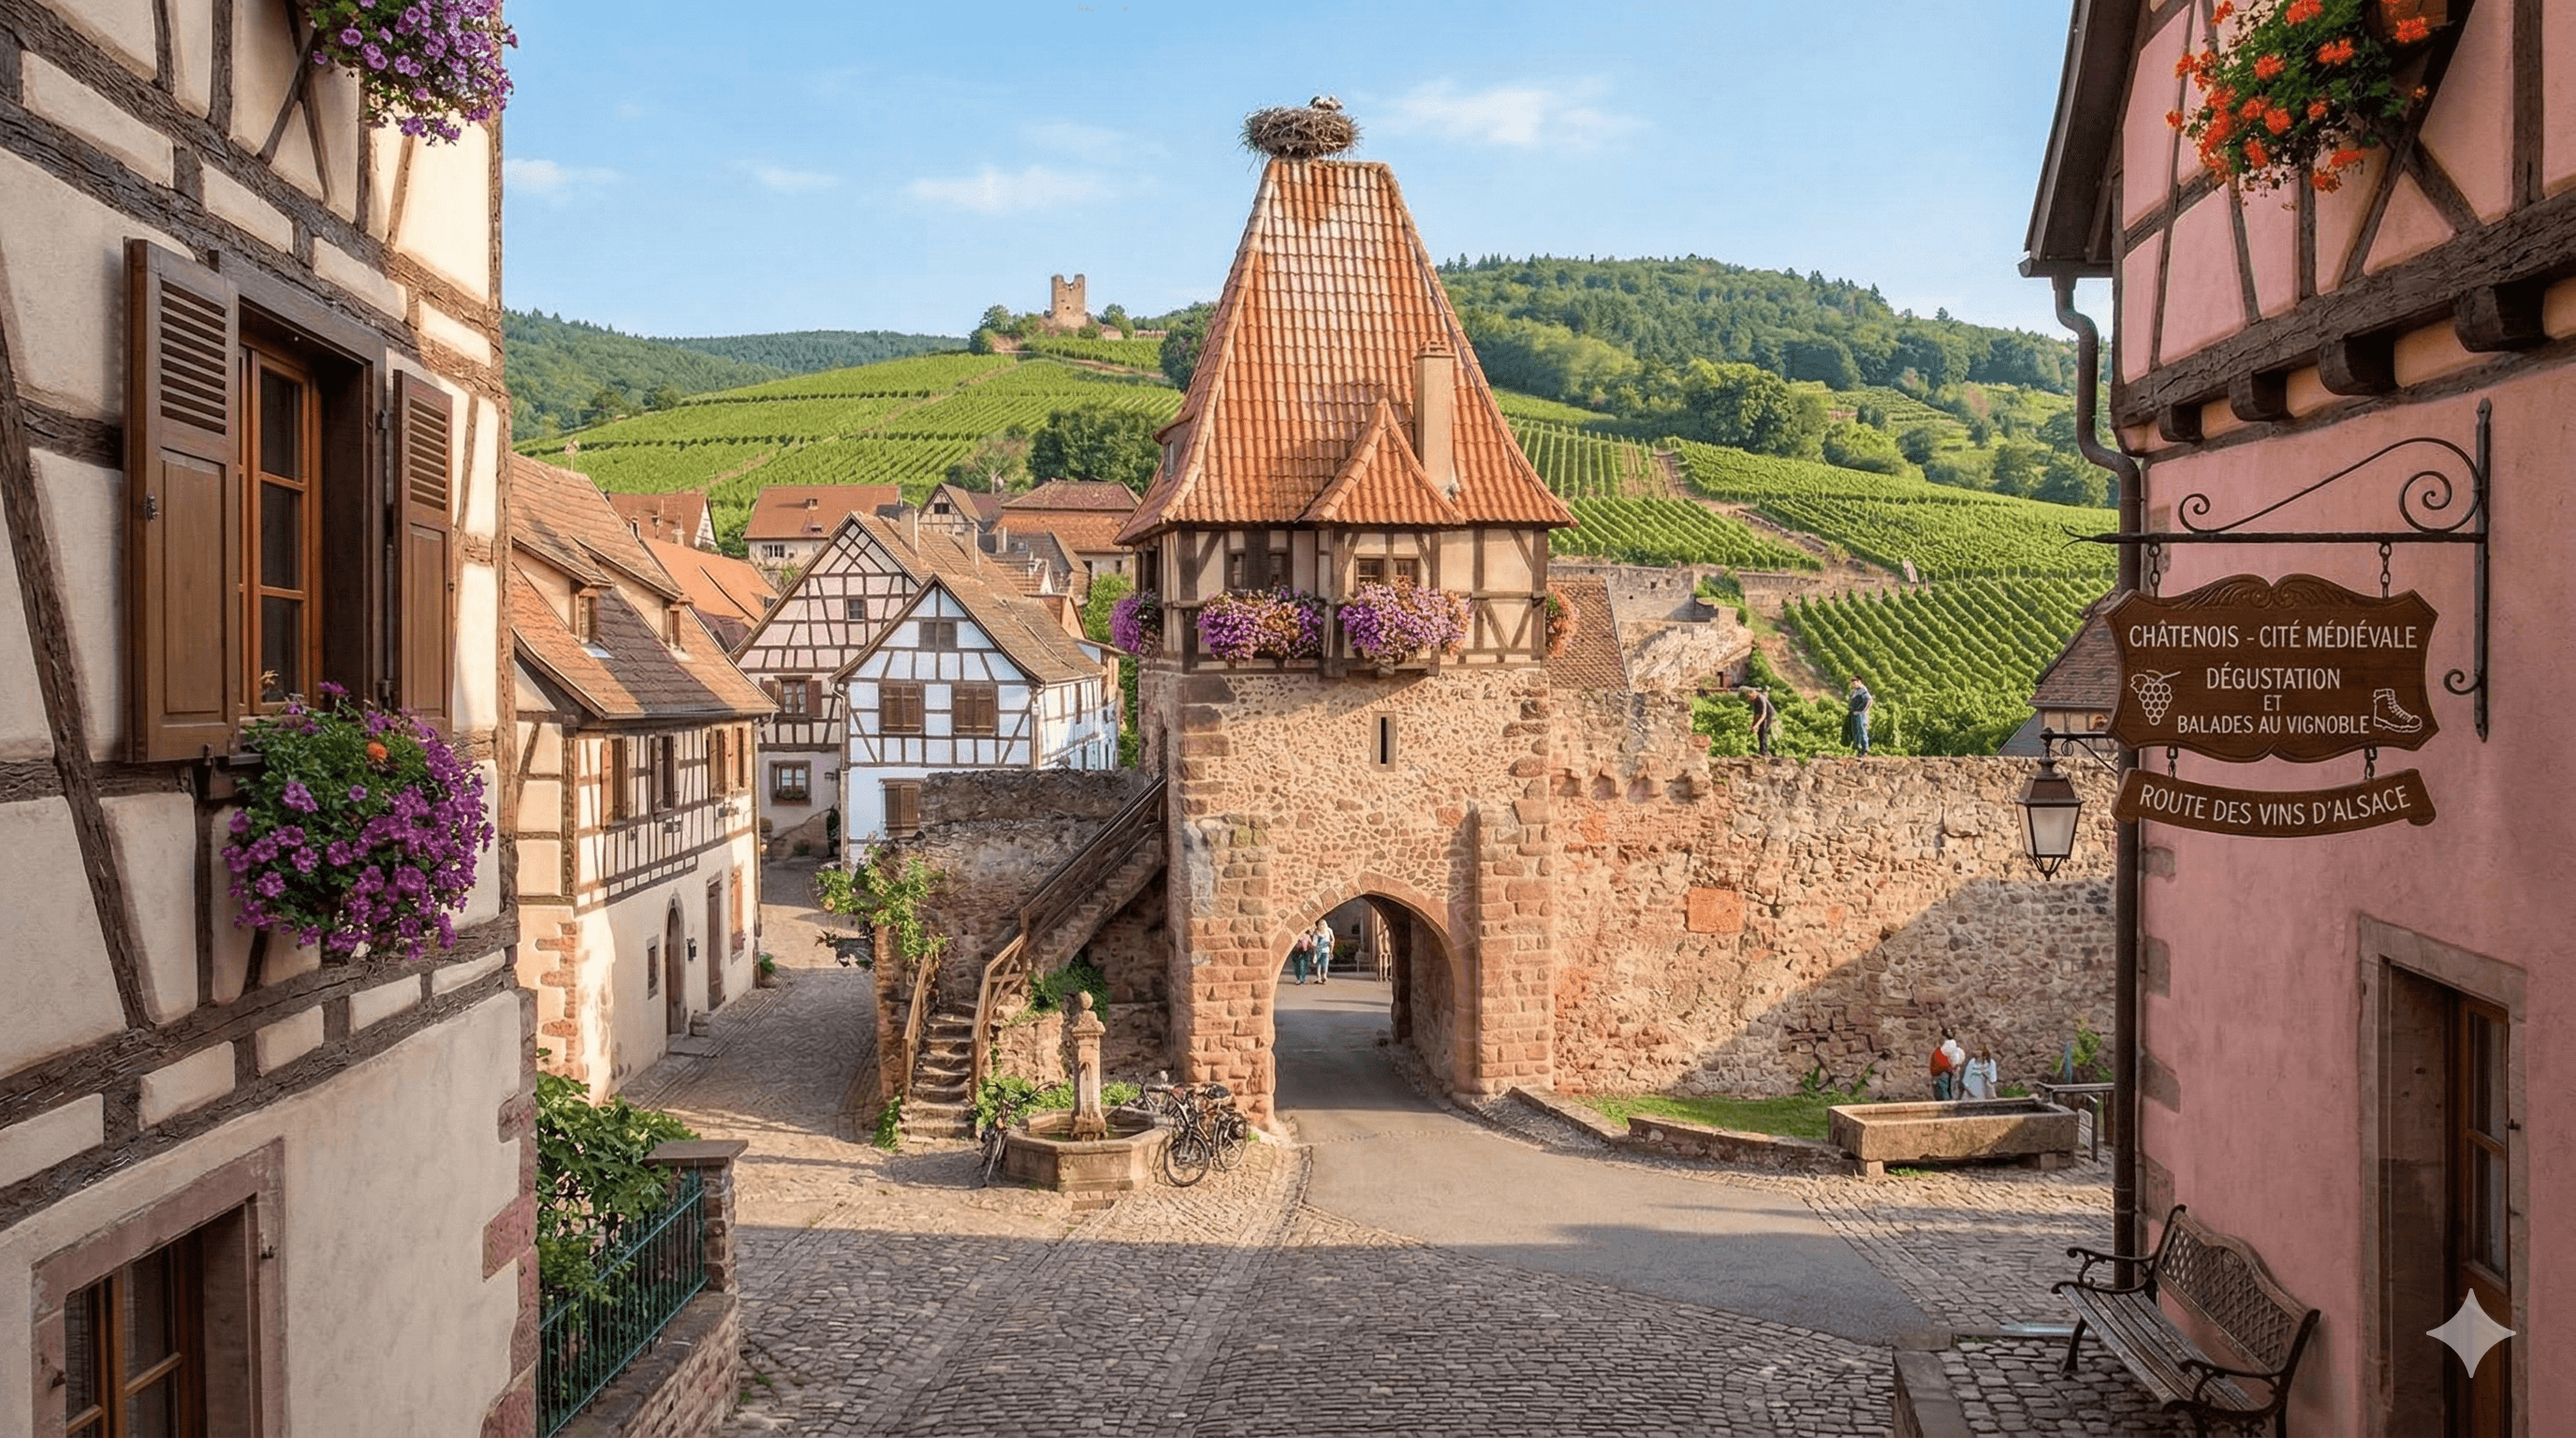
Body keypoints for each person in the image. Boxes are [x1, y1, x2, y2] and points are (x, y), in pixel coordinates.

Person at [1741, 684, 1778, 757]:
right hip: (1763, 714)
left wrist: (1757, 725)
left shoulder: (1761, 698)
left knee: (1763, 730)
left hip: (1769, 715)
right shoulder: (1754, 700)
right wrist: (1753, 725)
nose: (1749, 699)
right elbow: (1757, 714)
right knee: (1759, 731)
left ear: (1753, 693)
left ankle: (1764, 751)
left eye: (1749, 697)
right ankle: (1762, 750)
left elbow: (1763, 714)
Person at [1930, 1027, 1966, 1100]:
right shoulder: (1953, 1046)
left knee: (1947, 1088)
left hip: (1946, 1070)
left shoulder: (1945, 1047)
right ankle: (1952, 1101)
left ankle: (1950, 1103)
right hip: (1950, 1069)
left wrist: (1953, 1066)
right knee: (1952, 1087)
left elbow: (1948, 1057)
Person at [1846, 677, 1875, 756]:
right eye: (1852, 683)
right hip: (1856, 714)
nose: (1853, 684)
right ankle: (1858, 750)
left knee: (1862, 731)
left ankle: (1865, 749)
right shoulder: (1856, 690)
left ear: (1859, 682)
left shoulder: (1862, 690)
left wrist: (1862, 711)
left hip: (1861, 715)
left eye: (1854, 683)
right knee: (1856, 732)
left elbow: (1869, 700)